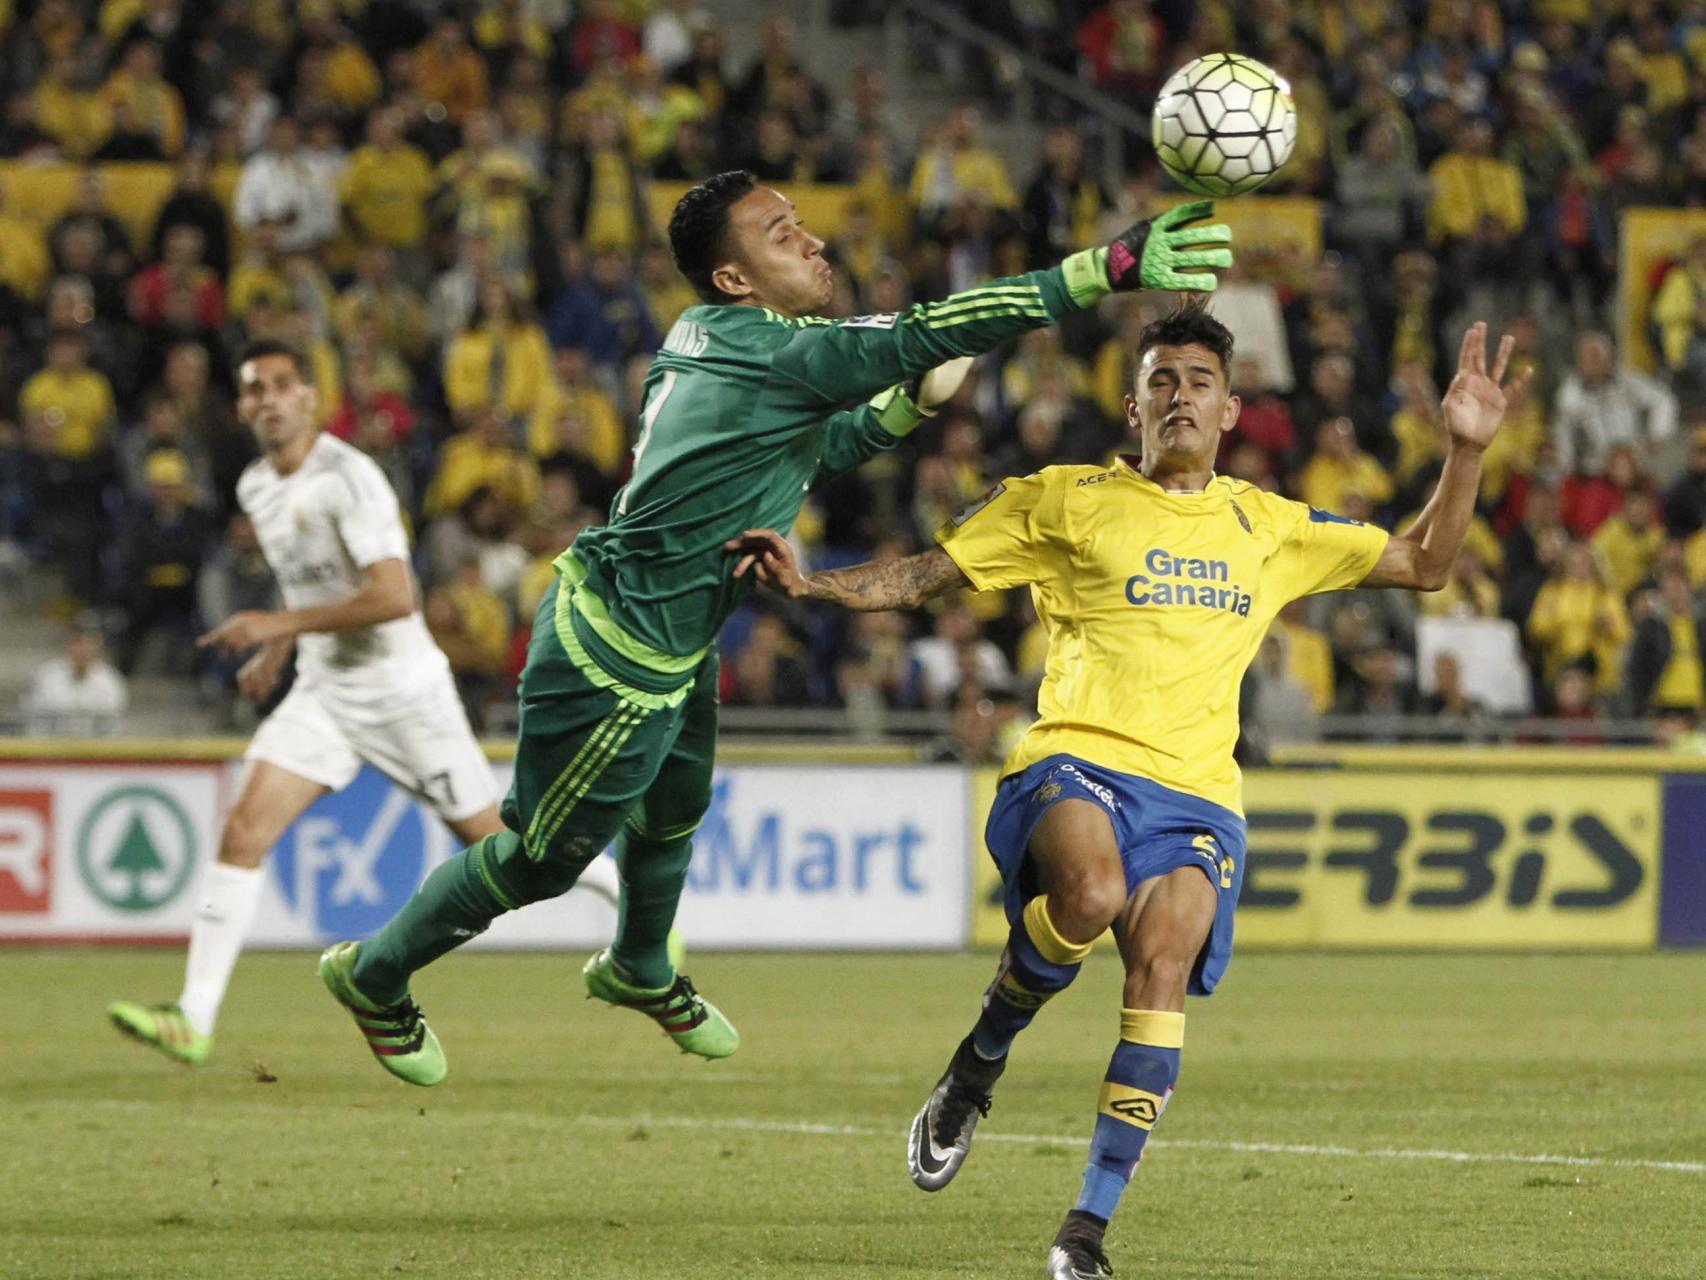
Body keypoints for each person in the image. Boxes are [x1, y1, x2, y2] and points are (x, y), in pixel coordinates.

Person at [316, 168, 1235, 1088]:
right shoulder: (777, 353)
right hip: (613, 661)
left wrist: (907, 407)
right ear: (733, 280)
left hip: (674, 634)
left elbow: (814, 445)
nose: (813, 241)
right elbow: (924, 331)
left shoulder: (710, 337)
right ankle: (376, 972)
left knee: (677, 808)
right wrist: (1103, 267)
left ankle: (639, 966)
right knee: (540, 862)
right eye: (779, 234)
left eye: (802, 223)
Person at [728, 305, 1525, 1280]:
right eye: (1159, 378)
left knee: (1158, 969)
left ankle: (1084, 1231)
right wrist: (813, 588)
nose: (1177, 393)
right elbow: (925, 576)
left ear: (1229, 409)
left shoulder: (1265, 524)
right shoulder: (1061, 498)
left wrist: (1462, 449)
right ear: (1130, 402)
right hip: (1074, 761)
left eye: (1197, 379)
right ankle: (980, 1057)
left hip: (1196, 798)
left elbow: (1425, 563)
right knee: (1091, 892)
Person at [107, 340, 629, 1067]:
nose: (266, 399)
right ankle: (192, 1018)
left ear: (309, 399)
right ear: (242, 406)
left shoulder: (350, 479)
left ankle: (624, 892)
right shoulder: (258, 484)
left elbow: (394, 595)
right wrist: (281, 646)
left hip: (403, 691)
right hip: (325, 692)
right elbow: (308, 584)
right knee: (242, 833)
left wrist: (278, 625)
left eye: (281, 385)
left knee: (497, 845)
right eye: (253, 388)